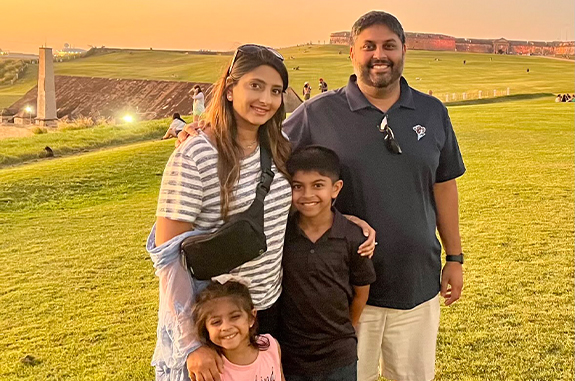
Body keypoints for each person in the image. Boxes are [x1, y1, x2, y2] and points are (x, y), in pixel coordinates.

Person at [283, 11, 465, 381]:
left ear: (403, 50)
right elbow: (264, 158)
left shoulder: (432, 112)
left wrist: (455, 257)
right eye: (368, 46)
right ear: (352, 53)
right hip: (343, 292)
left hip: (416, 283)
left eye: (388, 46)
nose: (379, 55)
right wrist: (207, 130)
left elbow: (444, 185)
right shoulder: (318, 113)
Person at [150, 44, 293, 381]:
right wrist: (191, 344)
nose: (266, 99)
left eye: (275, 91)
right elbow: (169, 259)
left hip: (264, 311)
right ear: (230, 89)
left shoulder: (279, 145)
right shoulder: (195, 155)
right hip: (213, 323)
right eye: (255, 86)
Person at [279, 146, 376, 381]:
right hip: (291, 354)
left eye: (318, 185)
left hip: (338, 354)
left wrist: (347, 328)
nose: (307, 195)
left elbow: (361, 293)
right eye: (297, 186)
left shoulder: (352, 237)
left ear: (336, 188)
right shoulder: (282, 233)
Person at [192, 280, 286, 381]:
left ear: (251, 317)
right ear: (205, 328)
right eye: (216, 322)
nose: (226, 327)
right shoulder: (211, 371)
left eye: (235, 317)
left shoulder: (271, 346)